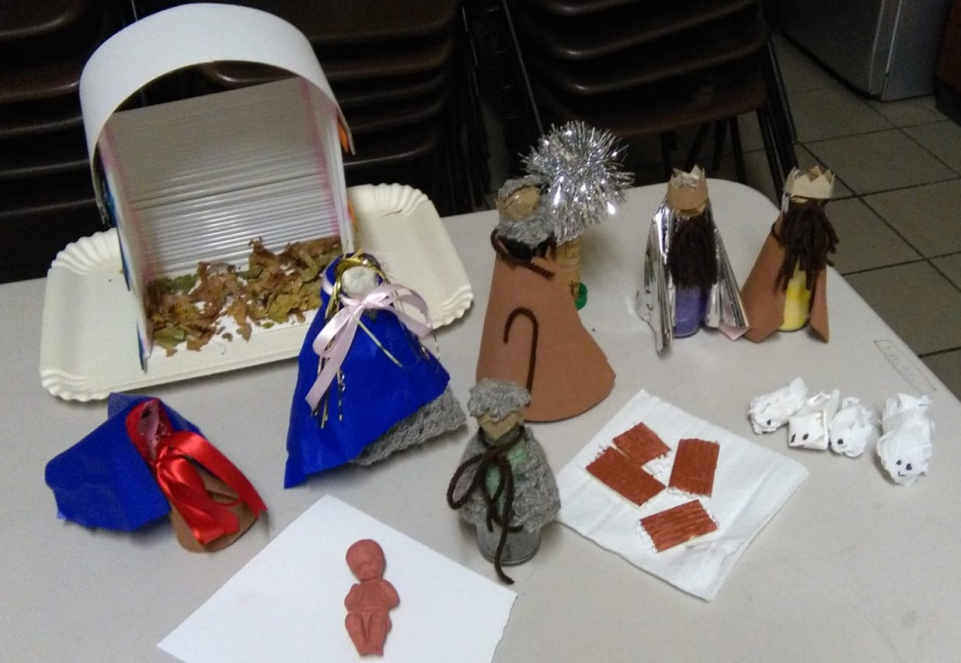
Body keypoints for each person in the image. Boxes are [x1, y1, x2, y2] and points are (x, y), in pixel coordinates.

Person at [345, 539, 399, 656]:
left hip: (379, 617)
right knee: (351, 618)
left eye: (370, 564)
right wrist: (352, 593)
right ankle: (362, 646)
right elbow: (348, 605)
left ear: (381, 562)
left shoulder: (382, 584)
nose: (366, 569)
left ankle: (375, 645)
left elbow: (394, 601)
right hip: (360, 616)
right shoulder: (357, 588)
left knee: (378, 616)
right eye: (360, 568)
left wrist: (385, 588)